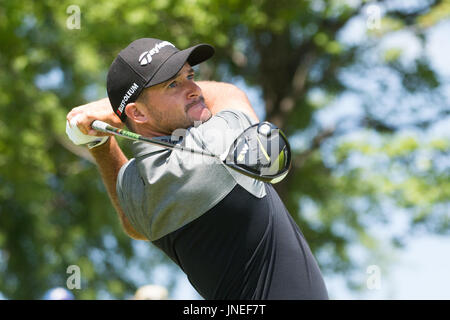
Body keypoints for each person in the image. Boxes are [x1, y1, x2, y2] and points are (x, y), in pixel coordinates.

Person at [66, 38, 329, 300]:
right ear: (138, 114)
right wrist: (108, 108)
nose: (194, 88)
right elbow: (231, 95)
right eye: (173, 84)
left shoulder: (138, 193)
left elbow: (131, 223)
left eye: (190, 75)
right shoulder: (211, 151)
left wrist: (98, 142)